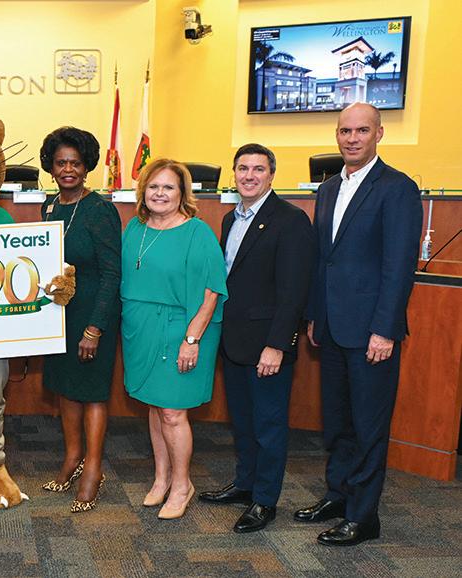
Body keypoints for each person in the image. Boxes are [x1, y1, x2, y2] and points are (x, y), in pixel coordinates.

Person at [296, 103, 422, 546]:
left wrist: (385, 329)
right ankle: (339, 495)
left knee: (368, 426)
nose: (352, 138)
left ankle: (363, 516)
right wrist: (315, 315)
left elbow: (398, 266)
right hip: (332, 327)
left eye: (362, 131)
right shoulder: (329, 188)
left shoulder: (397, 188)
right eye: (345, 131)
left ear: (379, 134)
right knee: (338, 421)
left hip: (372, 331)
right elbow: (323, 260)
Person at [198, 144, 315, 533]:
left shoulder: (291, 220)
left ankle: (265, 501)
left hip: (267, 345)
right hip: (234, 341)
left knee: (268, 426)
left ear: (271, 175)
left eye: (258, 169)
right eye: (243, 168)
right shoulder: (230, 218)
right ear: (234, 173)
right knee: (244, 422)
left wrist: (277, 345)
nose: (249, 176)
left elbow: (294, 291)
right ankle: (245, 484)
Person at [121, 158, 227, 520]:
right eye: (153, 186)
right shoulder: (134, 229)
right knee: (155, 406)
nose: (160, 193)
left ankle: (182, 484)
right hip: (141, 330)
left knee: (172, 411)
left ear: (182, 192)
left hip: (183, 329)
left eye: (168, 187)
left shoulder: (198, 233)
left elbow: (212, 292)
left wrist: (192, 339)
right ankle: (162, 477)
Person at [38, 127, 121, 513]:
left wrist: (95, 328)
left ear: (87, 166)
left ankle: (94, 468)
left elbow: (112, 273)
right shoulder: (49, 206)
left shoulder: (100, 210)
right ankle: (72, 458)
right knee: (65, 387)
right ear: (51, 167)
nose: (68, 169)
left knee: (92, 391)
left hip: (92, 313)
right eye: (61, 163)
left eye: (75, 162)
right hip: (60, 313)